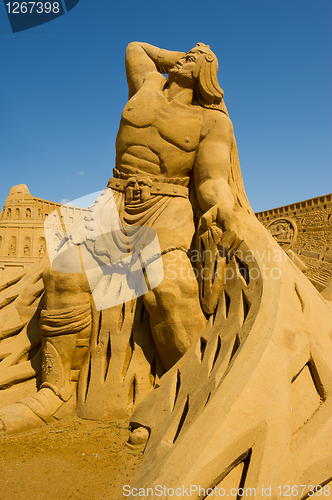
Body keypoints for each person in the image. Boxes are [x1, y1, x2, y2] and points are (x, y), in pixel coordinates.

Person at [0, 42, 252, 432]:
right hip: (115, 200)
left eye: (198, 56)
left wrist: (220, 205)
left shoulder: (212, 122)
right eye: (185, 51)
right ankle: (52, 392)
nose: (188, 54)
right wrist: (185, 61)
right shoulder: (146, 85)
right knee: (62, 275)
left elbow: (211, 177)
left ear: (208, 76)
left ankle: (183, 397)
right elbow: (136, 47)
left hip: (166, 206)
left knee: (168, 289)